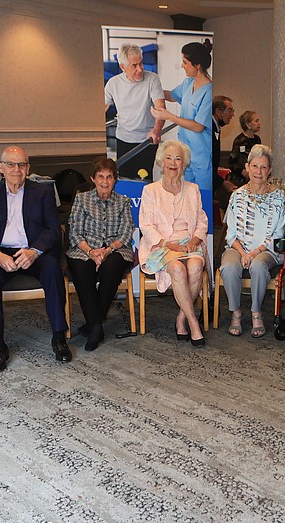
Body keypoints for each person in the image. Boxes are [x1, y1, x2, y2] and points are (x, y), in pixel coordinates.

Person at [0, 146, 71, 373]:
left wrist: (35, 251)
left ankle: (59, 337)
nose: (16, 169)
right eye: (10, 164)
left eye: (21, 164)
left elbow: (53, 229)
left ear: (28, 168)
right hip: (2, 252)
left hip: (34, 252)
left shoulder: (42, 193)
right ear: (1, 168)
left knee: (53, 270)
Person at [138, 140, 209, 347]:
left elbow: (202, 221)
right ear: (161, 161)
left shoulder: (193, 189)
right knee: (177, 269)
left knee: (196, 266)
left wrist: (194, 240)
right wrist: (170, 245)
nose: (173, 163)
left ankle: (181, 318)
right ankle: (193, 323)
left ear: (184, 163)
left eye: (178, 159)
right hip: (163, 246)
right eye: (168, 158)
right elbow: (146, 226)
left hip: (190, 244)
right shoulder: (151, 190)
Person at [65, 157, 134, 352]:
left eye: (109, 177)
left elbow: (126, 232)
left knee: (111, 267)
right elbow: (75, 231)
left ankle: (92, 325)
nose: (105, 181)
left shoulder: (123, 202)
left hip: (115, 249)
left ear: (115, 179)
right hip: (84, 248)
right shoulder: (82, 199)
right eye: (100, 177)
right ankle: (96, 326)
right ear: (93, 179)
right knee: (82, 269)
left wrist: (107, 250)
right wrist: (90, 251)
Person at [220, 144, 285, 338]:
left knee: (258, 266)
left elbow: (278, 235)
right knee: (228, 266)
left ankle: (256, 311)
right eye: (255, 166)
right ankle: (236, 312)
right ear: (247, 168)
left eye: (264, 167)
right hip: (238, 248)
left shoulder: (278, 197)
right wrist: (243, 253)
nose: (259, 171)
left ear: (270, 170)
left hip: (266, 251)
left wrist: (254, 253)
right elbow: (231, 234)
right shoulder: (237, 195)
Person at [151, 41, 213, 198]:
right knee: (187, 197)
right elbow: (172, 95)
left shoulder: (209, 91)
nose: (182, 66)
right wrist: (151, 89)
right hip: (186, 154)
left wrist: (169, 116)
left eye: (185, 62)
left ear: (197, 65)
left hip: (201, 155)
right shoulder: (188, 83)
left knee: (203, 198)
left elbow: (198, 126)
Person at [103, 43, 166, 180]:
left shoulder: (152, 79)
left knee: (144, 180)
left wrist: (156, 130)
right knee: (124, 178)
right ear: (122, 67)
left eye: (141, 63)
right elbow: (103, 108)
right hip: (123, 139)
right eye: (134, 65)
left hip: (146, 140)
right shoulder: (113, 84)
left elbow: (161, 108)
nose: (140, 68)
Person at [212, 95, 237, 212]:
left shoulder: (216, 128)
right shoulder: (209, 128)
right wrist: (222, 182)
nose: (232, 115)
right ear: (218, 111)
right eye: (230, 110)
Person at [227, 111, 262, 187]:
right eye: (256, 121)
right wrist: (243, 172)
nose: (259, 124)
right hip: (240, 179)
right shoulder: (239, 140)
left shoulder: (257, 139)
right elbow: (232, 163)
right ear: (248, 124)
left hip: (255, 176)